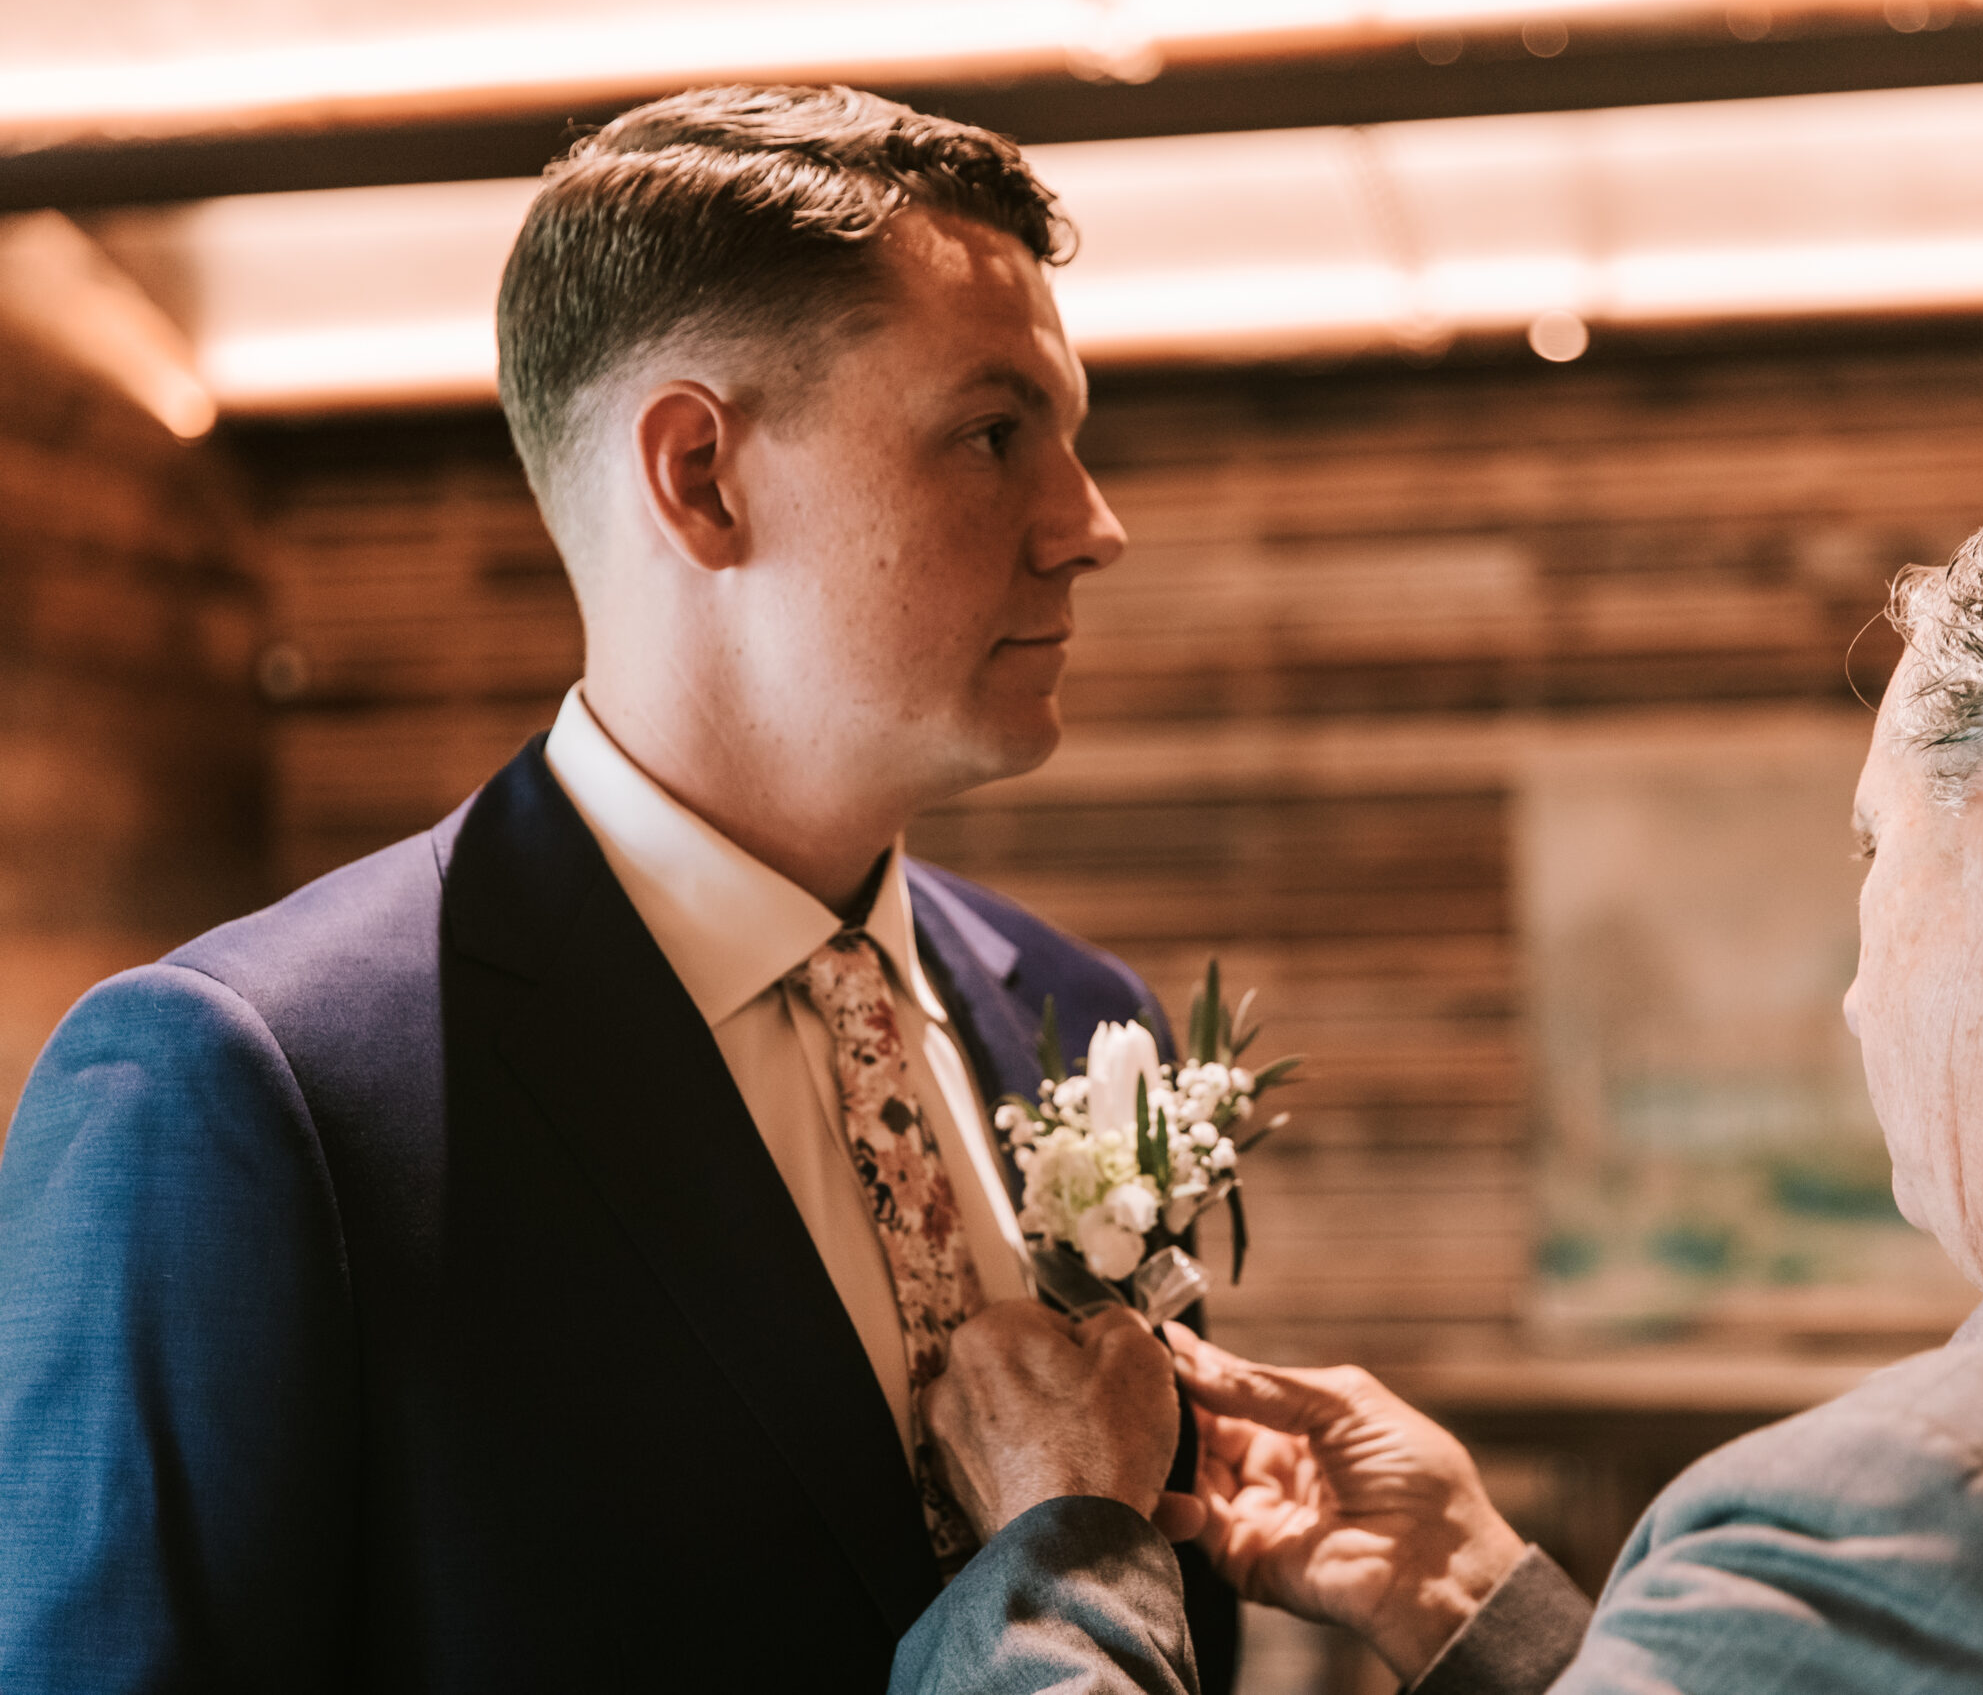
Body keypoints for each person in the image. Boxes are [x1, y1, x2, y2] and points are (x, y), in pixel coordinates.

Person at [889, 441, 1983, 1693]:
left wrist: (1062, 1561)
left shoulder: (1909, 1521)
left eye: (1870, 845)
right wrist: (1489, 1607)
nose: (1853, 999)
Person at [0, 86, 1238, 1692]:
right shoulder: (250, 1091)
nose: (1092, 526)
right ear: (702, 476)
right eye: (996, 433)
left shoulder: (1086, 1022)